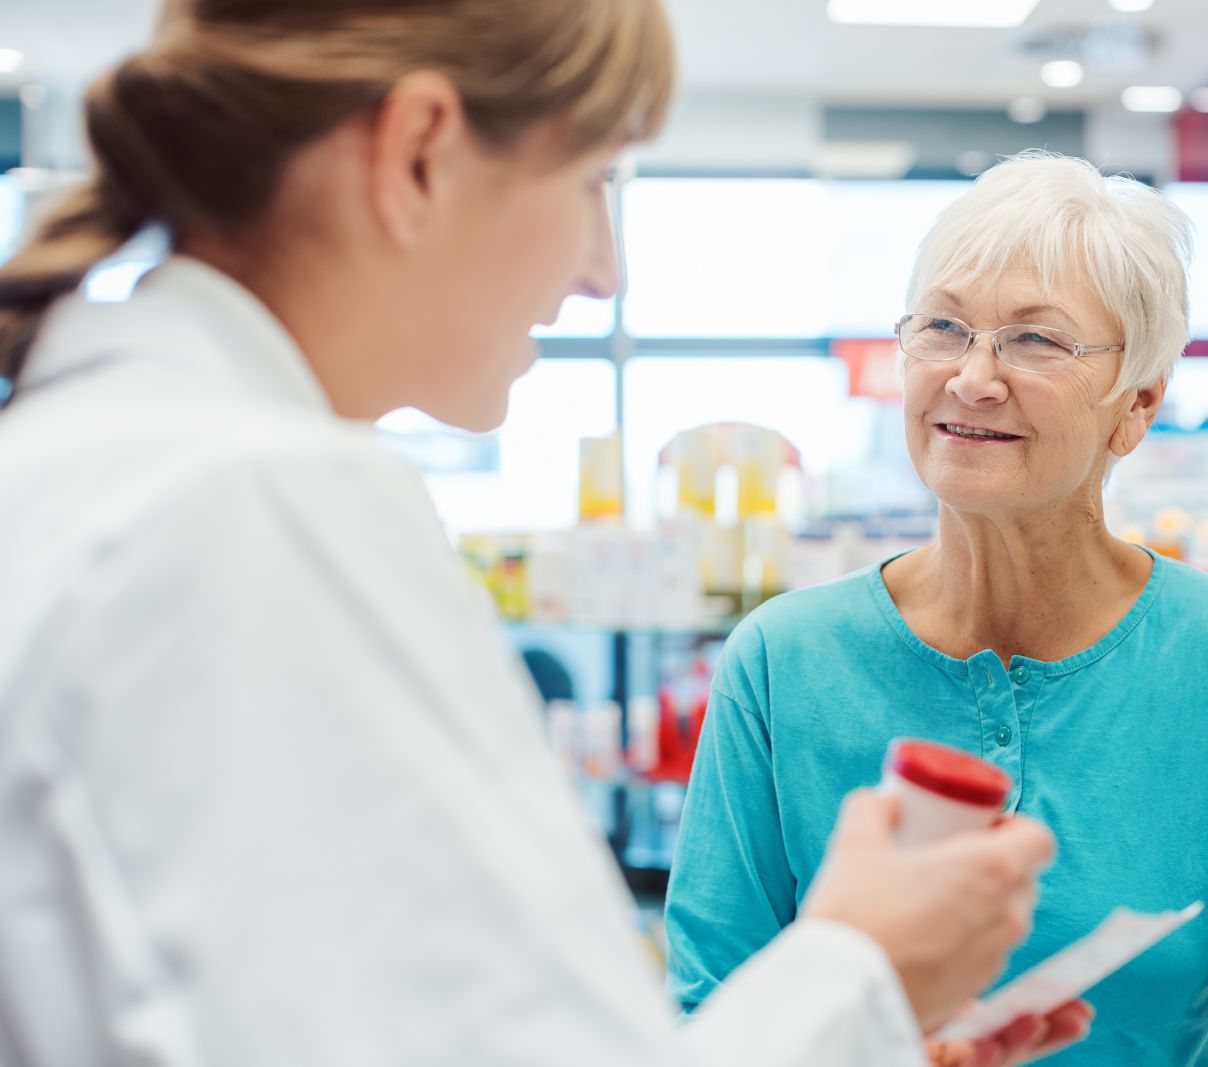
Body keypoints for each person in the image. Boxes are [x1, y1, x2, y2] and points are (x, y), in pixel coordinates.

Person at [0, 3, 1076, 1065]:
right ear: (419, 154)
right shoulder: (256, 500)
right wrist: (864, 971)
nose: (601, 269)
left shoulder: (98, 456)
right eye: (591, 182)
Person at [664, 153, 1208, 1065]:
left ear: (1137, 405)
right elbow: (712, 1010)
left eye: (1036, 341)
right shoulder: (785, 660)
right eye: (944, 327)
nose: (973, 376)